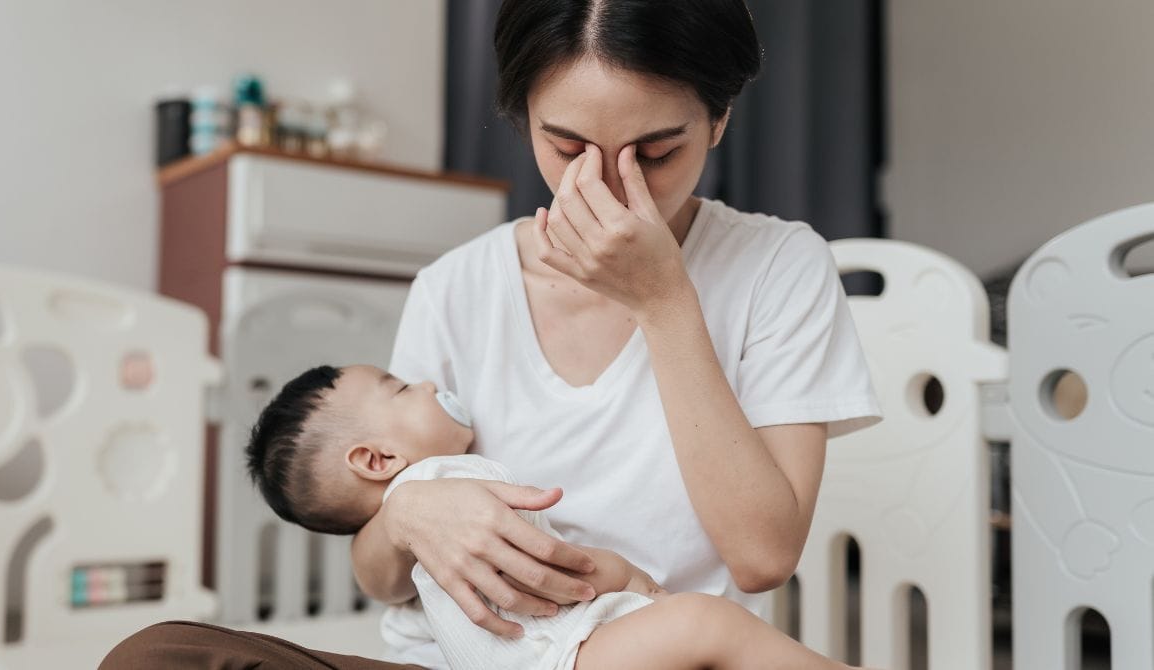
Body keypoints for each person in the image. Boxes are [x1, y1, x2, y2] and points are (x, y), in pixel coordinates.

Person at [101, 0, 881, 667]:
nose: (607, 186)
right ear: (523, 122)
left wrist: (664, 302)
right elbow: (381, 574)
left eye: (655, 152)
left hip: (640, 657)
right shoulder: (459, 285)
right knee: (156, 658)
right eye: (568, 147)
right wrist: (407, 516)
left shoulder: (779, 266)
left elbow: (762, 557)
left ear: (719, 122)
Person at [241, 362, 865, 670]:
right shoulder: (448, 483)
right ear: (377, 459)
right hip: (552, 659)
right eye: (403, 390)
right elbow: (559, 569)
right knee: (705, 622)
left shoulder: (423, 522)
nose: (429, 385)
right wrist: (629, 578)